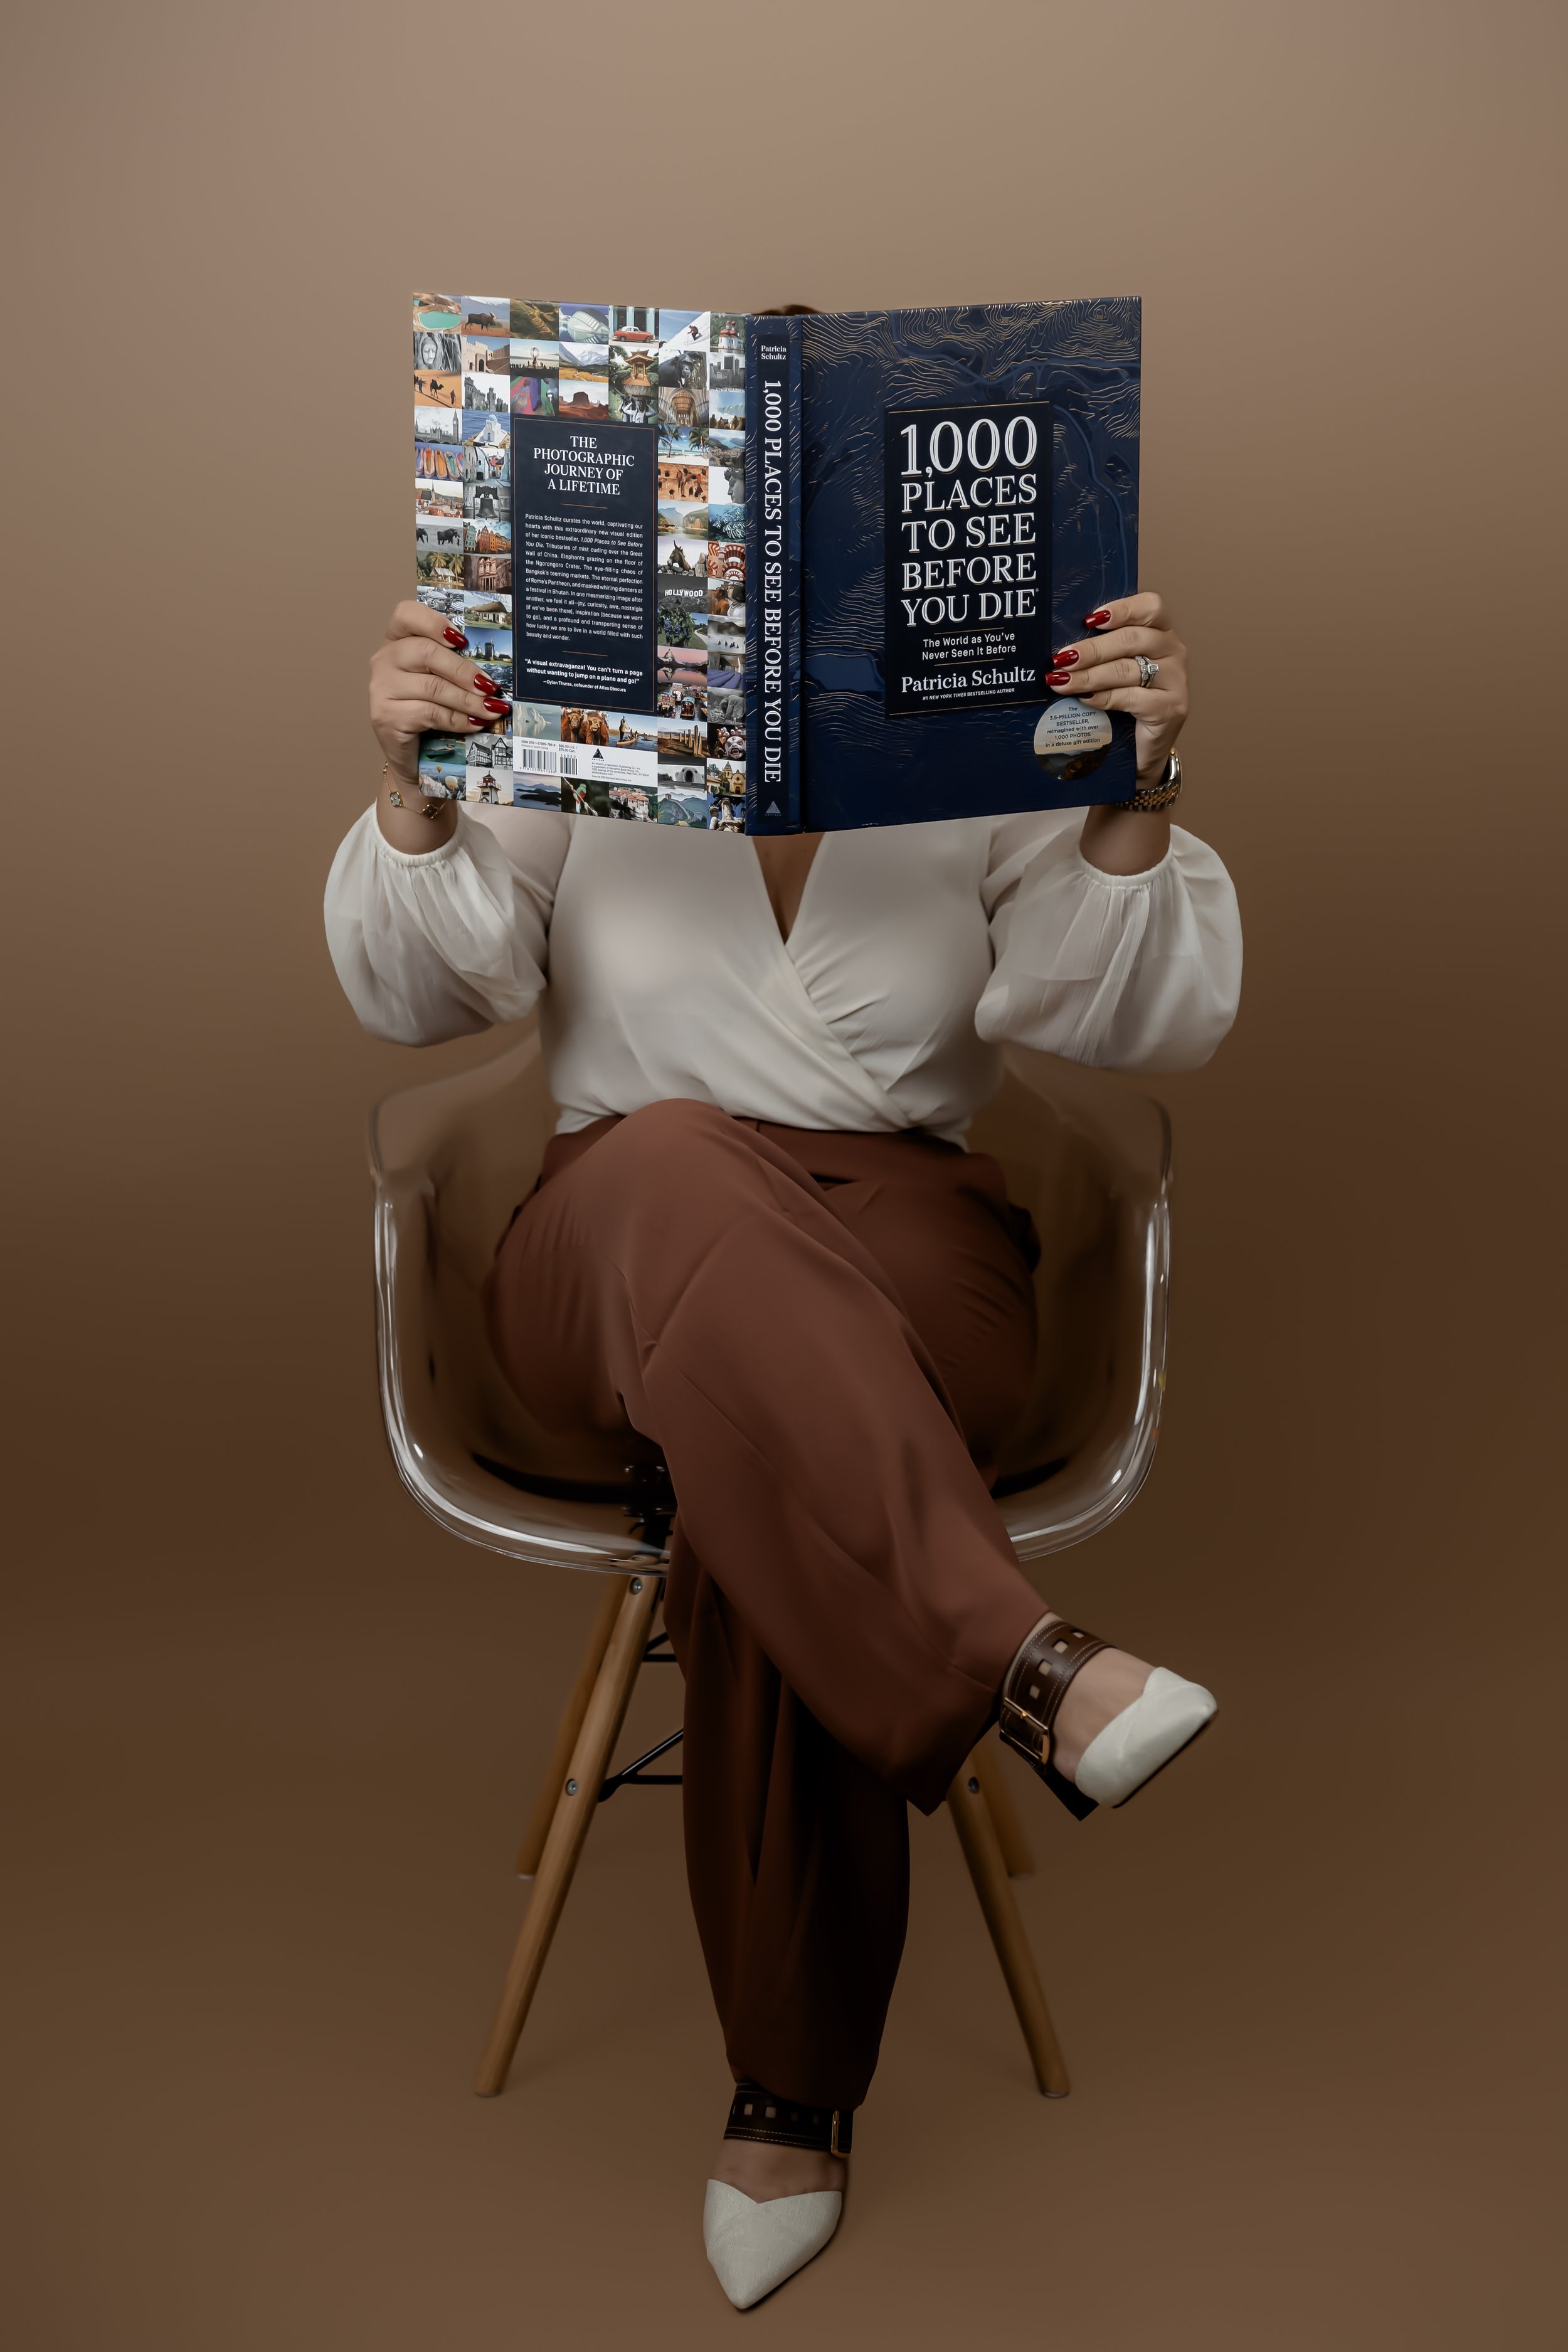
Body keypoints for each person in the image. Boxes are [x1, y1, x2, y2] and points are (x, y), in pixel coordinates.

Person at [327, 475, 1241, 2311]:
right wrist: (416, 788)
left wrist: (1132, 802)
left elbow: (1123, 1023)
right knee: (674, 1160)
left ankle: (787, 2098)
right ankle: (1024, 1665)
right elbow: (425, 1000)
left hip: (914, 1245)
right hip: (616, 1230)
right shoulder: (572, 708)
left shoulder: (996, 731)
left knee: (762, 1496)